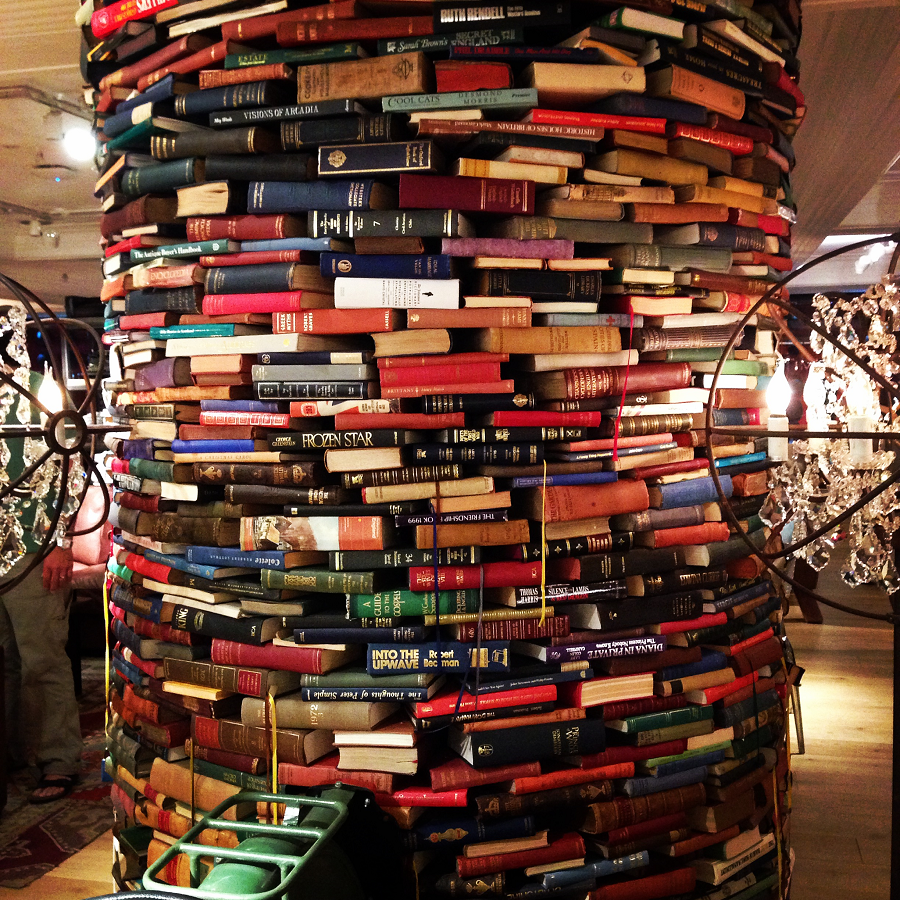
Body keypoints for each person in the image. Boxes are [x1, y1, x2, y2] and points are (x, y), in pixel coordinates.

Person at [0, 314, 82, 803]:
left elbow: (72, 462)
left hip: (33, 547)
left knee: (41, 658)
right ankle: (13, 752)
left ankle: (58, 759)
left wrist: (61, 541)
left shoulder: (41, 392)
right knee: (6, 661)